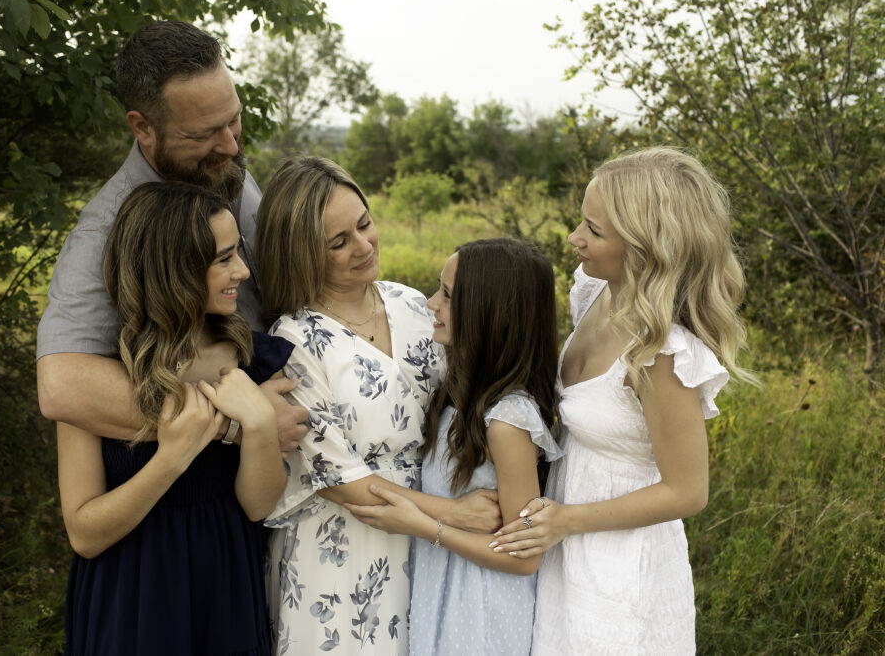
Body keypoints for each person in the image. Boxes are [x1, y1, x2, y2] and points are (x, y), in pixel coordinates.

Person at [492, 147, 754, 654]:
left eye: (593, 229)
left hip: (621, 562)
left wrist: (567, 521)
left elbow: (688, 491)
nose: (575, 238)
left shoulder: (659, 353)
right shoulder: (595, 293)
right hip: (567, 543)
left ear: (644, 246)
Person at [255, 157, 503, 654]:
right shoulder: (295, 337)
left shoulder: (413, 303)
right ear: (302, 254)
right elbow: (336, 478)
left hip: (428, 545)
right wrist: (451, 515)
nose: (364, 246)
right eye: (339, 242)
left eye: (364, 224)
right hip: (345, 548)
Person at [36, 19, 306, 448]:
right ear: (143, 127)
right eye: (202, 134)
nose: (232, 146)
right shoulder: (106, 229)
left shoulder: (218, 164)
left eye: (233, 120)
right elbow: (62, 386)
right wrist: (236, 421)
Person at [60, 181, 290, 654]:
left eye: (238, 253)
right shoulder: (93, 379)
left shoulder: (252, 357)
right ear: (174, 270)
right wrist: (172, 458)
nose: (243, 271)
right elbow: (84, 534)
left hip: (224, 584)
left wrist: (261, 423)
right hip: (129, 594)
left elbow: (258, 506)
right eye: (223, 258)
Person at [343, 238, 565, 656]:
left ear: (488, 312)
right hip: (442, 590)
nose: (430, 303)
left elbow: (523, 558)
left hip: (481, 609)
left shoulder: (506, 421)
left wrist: (426, 526)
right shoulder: (458, 391)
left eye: (447, 294)